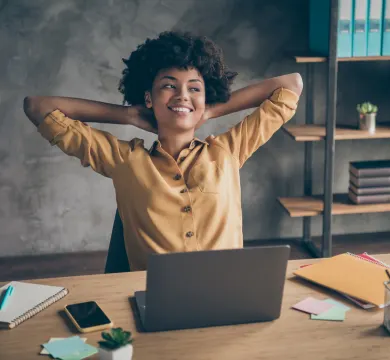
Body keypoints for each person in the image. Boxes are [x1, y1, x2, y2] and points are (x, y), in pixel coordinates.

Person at [23, 30, 303, 271]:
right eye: (169, 86)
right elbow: (38, 107)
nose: (182, 95)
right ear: (149, 97)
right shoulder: (123, 160)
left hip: (227, 293)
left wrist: (209, 110)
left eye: (194, 88)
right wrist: (130, 115)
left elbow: (292, 84)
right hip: (152, 298)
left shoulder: (228, 151)